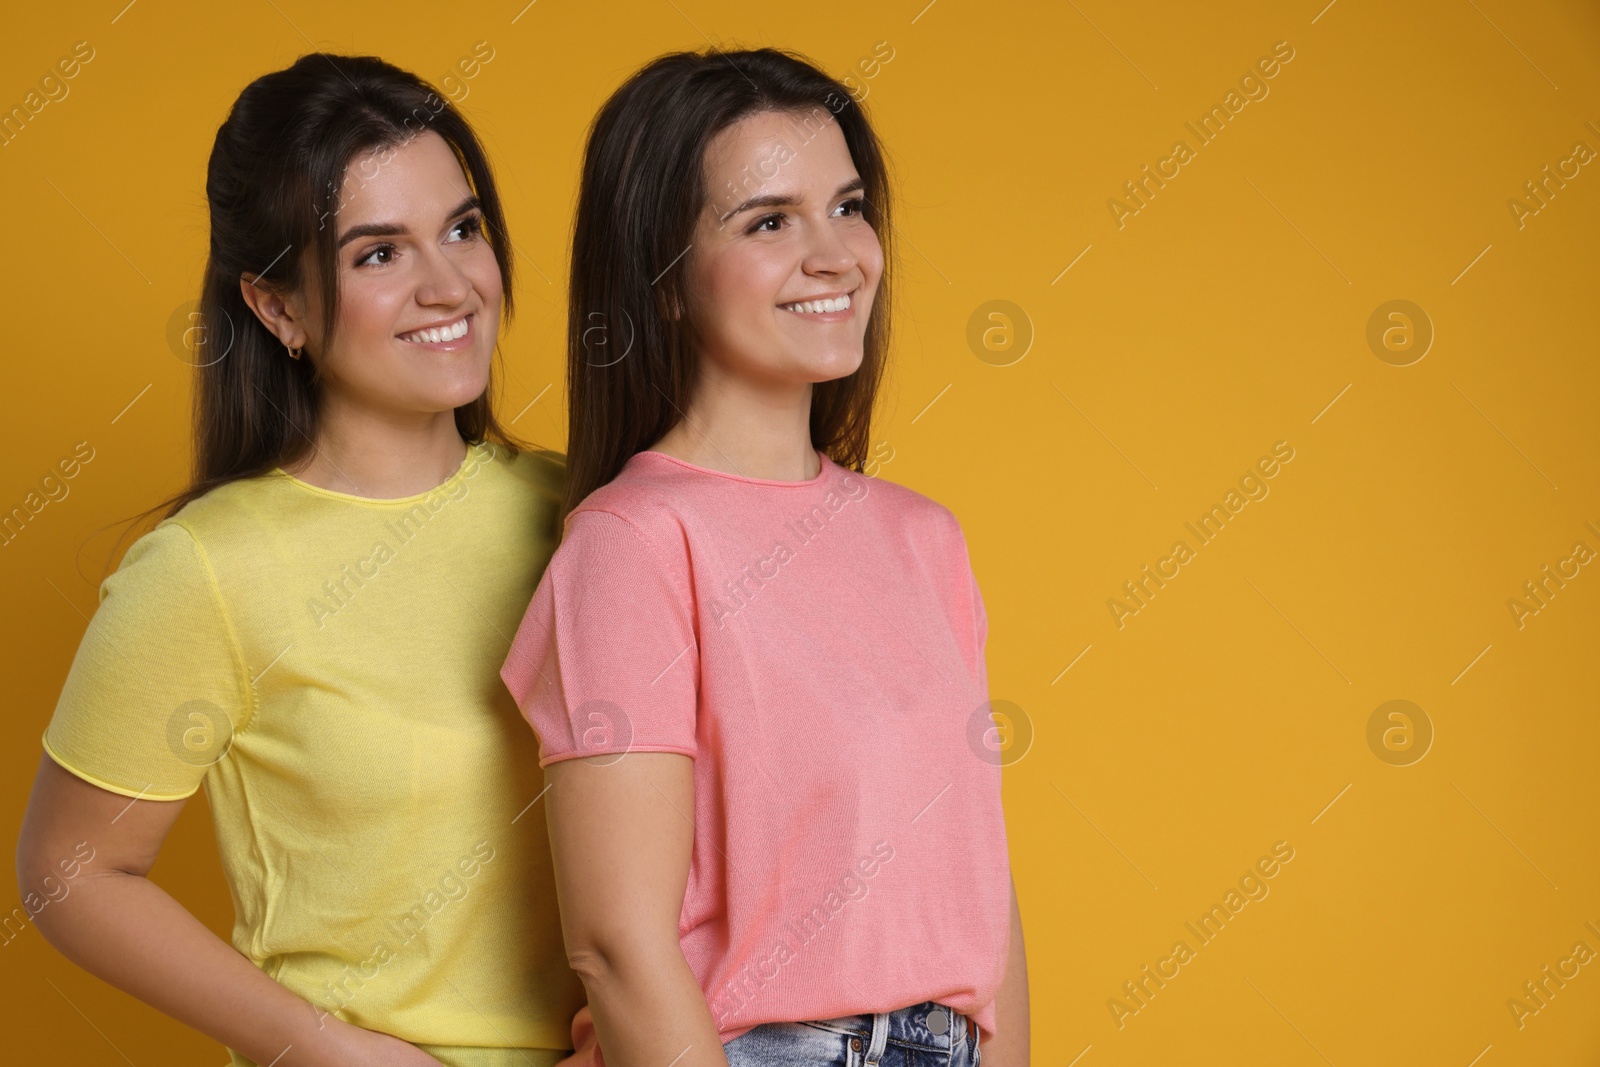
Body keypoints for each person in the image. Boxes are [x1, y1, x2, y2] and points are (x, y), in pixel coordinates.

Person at [15, 53, 584, 1067]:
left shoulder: (590, 514)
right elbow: (71, 869)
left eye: (462, 227)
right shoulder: (205, 570)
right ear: (276, 306)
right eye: (377, 254)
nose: (449, 283)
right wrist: (325, 1047)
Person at [500, 47, 1029, 1067]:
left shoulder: (924, 538)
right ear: (660, 281)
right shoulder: (635, 543)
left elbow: (980, 891)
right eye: (769, 221)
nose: (836, 254)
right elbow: (617, 945)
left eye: (847, 206)